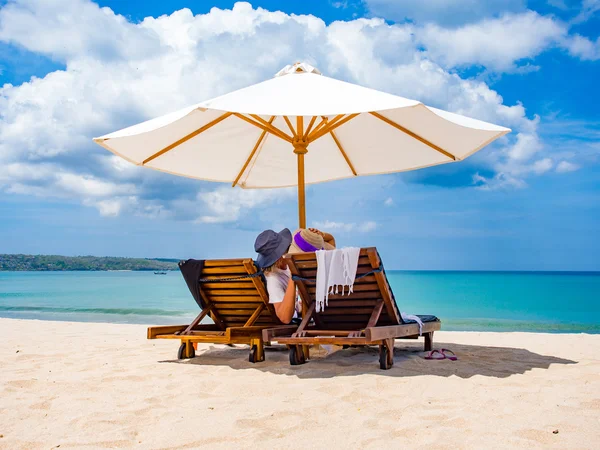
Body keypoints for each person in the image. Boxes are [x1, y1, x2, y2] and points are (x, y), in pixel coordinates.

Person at [254, 227, 337, 324]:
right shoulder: (274, 279)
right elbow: (284, 318)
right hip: (308, 321)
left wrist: (321, 235)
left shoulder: (293, 258)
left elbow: (330, 248)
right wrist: (293, 276)